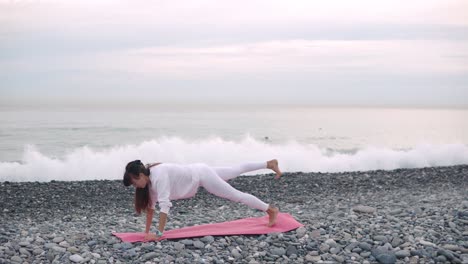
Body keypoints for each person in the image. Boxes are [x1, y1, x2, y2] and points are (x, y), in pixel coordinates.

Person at [123, 159, 282, 241]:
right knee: (234, 170)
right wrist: (146, 233)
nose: (135, 186)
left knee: (235, 195)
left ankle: (270, 210)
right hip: (199, 169)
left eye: (134, 182)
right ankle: (268, 163)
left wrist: (158, 234)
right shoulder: (149, 180)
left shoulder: (159, 177)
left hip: (202, 176)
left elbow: (164, 206)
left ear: (141, 175)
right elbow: (151, 208)